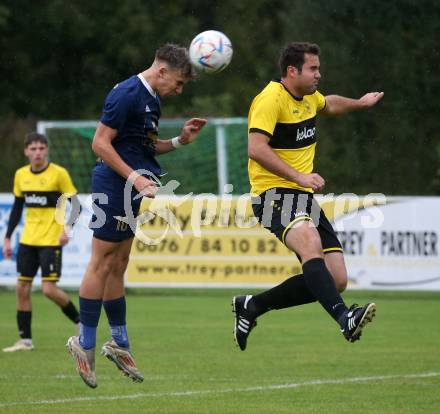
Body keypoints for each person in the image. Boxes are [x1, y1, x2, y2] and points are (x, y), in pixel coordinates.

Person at [66, 43, 207, 388]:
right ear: (161, 71)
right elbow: (100, 143)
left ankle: (119, 342)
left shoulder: (152, 99)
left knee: (119, 263)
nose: (179, 89)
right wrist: (134, 177)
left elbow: (144, 146)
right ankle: (83, 344)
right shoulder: (128, 93)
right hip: (113, 184)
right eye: (178, 82)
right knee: (100, 262)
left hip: (132, 187)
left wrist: (179, 141)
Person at [232, 42, 384, 351]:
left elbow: (329, 104)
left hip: (302, 197)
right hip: (273, 193)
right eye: (312, 68)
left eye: (318, 68)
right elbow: (256, 148)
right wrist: (299, 176)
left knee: (336, 278)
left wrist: (360, 103)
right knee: (310, 244)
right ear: (292, 71)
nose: (318, 74)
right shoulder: (270, 100)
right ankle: (344, 317)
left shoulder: (307, 98)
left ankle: (252, 306)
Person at [2, 132, 81, 352]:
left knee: (48, 289)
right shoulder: (21, 175)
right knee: (21, 287)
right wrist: (7, 238)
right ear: (26, 151)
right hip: (28, 240)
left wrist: (67, 229)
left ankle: (80, 322)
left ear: (46, 150)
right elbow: (17, 209)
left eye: (41, 148)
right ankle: (25, 340)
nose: (37, 152)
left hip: (51, 240)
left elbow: (75, 205)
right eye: (33, 148)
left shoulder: (59, 174)